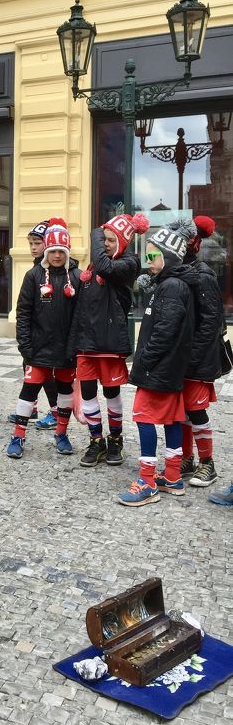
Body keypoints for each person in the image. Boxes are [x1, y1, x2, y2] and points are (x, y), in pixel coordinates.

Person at [118, 225, 197, 507]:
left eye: (153, 255)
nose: (148, 261)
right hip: (169, 369)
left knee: (144, 417)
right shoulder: (170, 284)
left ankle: (147, 480)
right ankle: (173, 476)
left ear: (168, 257)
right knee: (174, 418)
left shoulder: (172, 286)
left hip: (159, 369)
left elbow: (166, 330)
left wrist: (145, 360)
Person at [69, 213, 147, 468]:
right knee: (89, 392)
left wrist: (95, 233)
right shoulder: (92, 270)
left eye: (111, 240)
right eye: (104, 239)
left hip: (111, 345)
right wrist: (74, 343)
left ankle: (115, 440)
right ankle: (96, 441)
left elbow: (104, 266)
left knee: (112, 393)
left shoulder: (128, 264)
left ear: (123, 243)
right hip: (87, 345)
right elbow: (81, 308)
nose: (105, 244)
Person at [5, 218, 80, 459]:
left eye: (61, 251)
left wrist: (75, 348)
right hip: (37, 350)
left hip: (67, 352)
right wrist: (25, 347)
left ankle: (61, 433)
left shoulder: (77, 277)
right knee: (28, 392)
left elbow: (81, 318)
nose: (57, 255)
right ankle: (18, 435)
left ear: (67, 252)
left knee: (65, 394)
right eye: (53, 250)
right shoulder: (33, 275)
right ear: (47, 250)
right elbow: (23, 313)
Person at [168, 216, 224, 488]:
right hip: (182, 356)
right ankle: (188, 459)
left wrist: (194, 358)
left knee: (197, 411)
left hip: (199, 358)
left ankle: (208, 463)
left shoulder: (203, 275)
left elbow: (211, 321)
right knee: (183, 412)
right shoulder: (177, 271)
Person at [7, 220, 58, 431]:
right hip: (34, 333)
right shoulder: (36, 268)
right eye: (31, 243)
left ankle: (55, 412)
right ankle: (33, 407)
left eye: (37, 243)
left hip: (50, 336)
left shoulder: (53, 268)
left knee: (46, 373)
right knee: (28, 367)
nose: (33, 247)